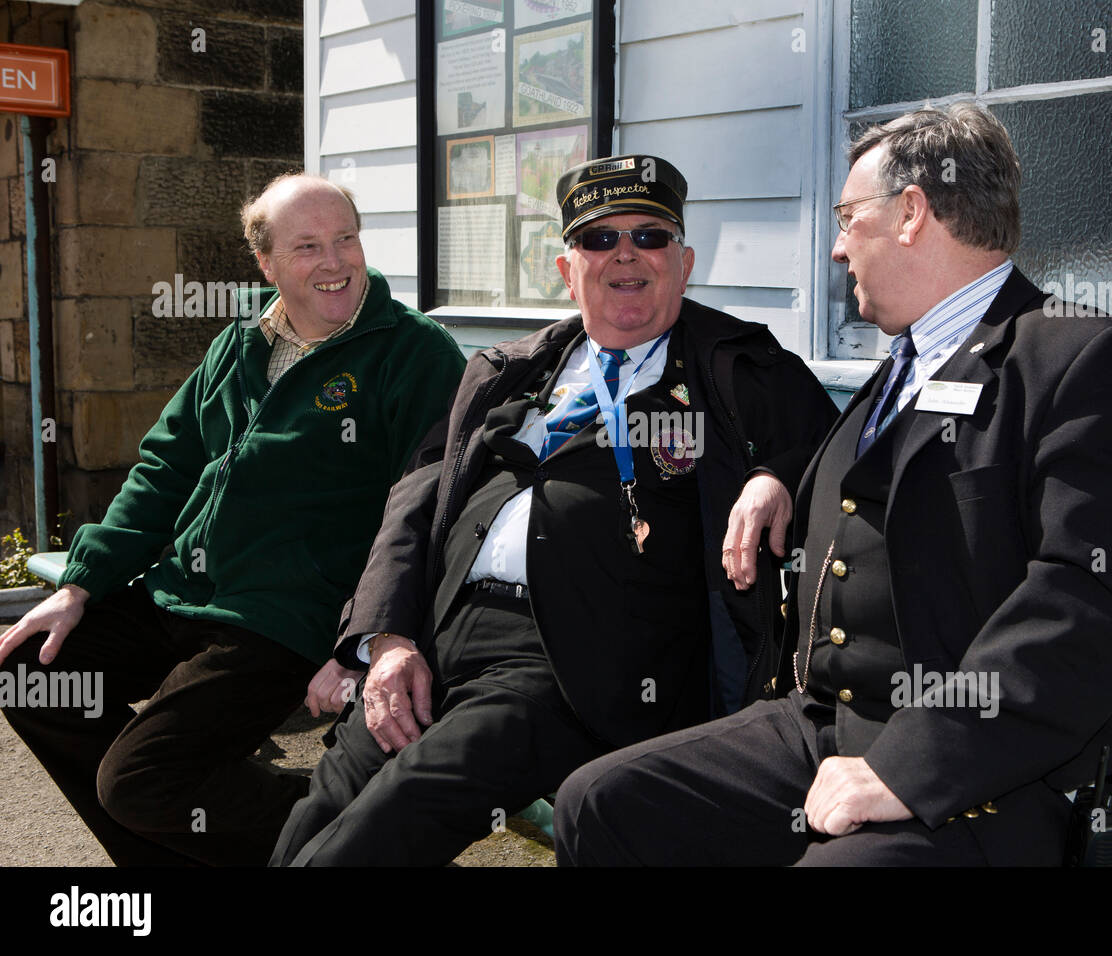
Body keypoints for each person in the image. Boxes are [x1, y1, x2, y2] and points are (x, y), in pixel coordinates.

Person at [554, 105, 1112, 866]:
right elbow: (872, 492)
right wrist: (784, 481)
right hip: (824, 723)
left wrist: (907, 768)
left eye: (850, 219)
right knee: (602, 804)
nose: (838, 248)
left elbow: (1087, 601)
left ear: (912, 212)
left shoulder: (1079, 359)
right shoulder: (904, 363)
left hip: (994, 764)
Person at [271, 154, 839, 866]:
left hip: (572, 663)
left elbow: (835, 453)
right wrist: (385, 637)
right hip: (440, 638)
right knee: (316, 812)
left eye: (649, 236)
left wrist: (774, 475)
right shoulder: (511, 369)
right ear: (568, 271)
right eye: (599, 239)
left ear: (684, 261)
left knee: (380, 828)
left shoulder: (738, 367)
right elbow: (413, 503)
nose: (625, 254)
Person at [0, 173, 466, 866]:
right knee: (27, 675)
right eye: (308, 246)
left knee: (139, 780)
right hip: (183, 595)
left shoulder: (415, 354)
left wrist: (360, 642)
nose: (336, 262)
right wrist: (79, 586)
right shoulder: (241, 339)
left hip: (285, 620)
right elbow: (165, 467)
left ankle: (349, 818)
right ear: (267, 263)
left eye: (346, 239)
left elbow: (427, 511)